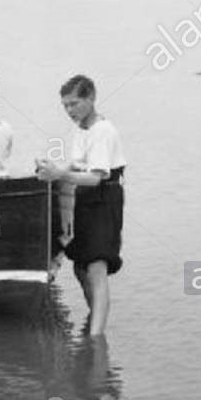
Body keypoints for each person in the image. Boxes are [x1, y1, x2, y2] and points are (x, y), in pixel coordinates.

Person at [35, 75, 126, 339]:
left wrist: (59, 175)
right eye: (65, 105)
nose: (69, 111)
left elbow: (97, 177)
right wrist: (53, 169)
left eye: (74, 104)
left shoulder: (102, 131)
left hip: (103, 197)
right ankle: (95, 322)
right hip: (84, 197)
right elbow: (77, 166)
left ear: (91, 98)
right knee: (80, 266)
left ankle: (96, 338)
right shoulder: (81, 129)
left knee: (97, 268)